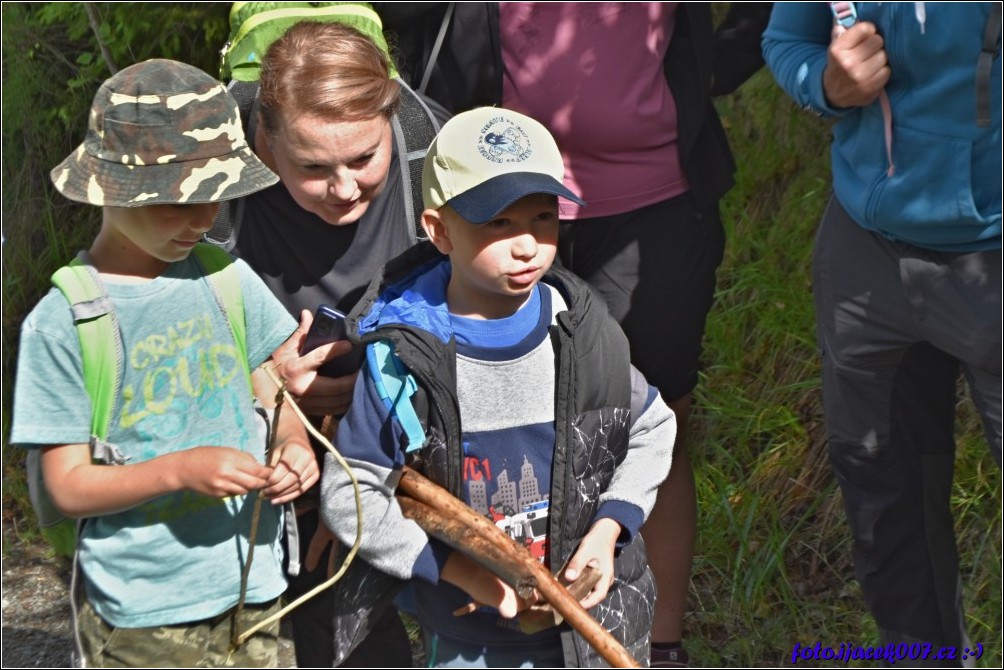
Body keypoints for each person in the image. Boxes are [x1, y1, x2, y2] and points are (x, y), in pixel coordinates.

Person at [375, 4, 772, 665]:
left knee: (655, 412)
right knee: (480, 414)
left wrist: (715, 66)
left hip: (653, 207)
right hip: (491, 200)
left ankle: (658, 642)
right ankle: (489, 628)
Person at [320, 106, 678, 667]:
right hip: (470, 638)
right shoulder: (405, 357)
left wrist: (610, 529)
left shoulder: (582, 335)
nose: (528, 245)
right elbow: (351, 491)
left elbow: (653, 425)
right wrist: (458, 571)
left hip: (595, 625)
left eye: (542, 218)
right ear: (439, 231)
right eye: (498, 224)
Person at [9, 59, 319, 667]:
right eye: (176, 202)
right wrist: (180, 471)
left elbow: (272, 393)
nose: (202, 221)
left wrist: (294, 446)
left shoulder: (224, 276)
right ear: (111, 190)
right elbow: (66, 485)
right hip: (141, 609)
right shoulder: (65, 320)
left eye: (214, 199)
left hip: (252, 585)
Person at [763, 2, 1001, 653]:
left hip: (992, 261)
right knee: (883, 489)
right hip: (863, 252)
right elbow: (788, 39)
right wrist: (827, 85)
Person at [218, 19, 452, 668]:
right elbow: (160, 347)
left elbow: (500, 305)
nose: (344, 188)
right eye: (313, 167)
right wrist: (269, 391)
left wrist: (382, 388)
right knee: (330, 608)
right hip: (273, 440)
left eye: (362, 158)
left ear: (392, 121)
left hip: (420, 425)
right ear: (265, 142)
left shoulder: (431, 153)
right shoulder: (208, 188)